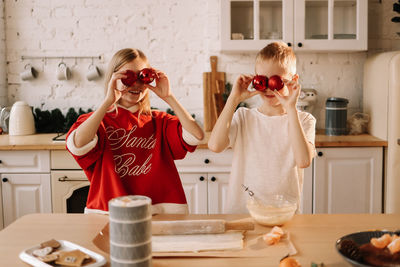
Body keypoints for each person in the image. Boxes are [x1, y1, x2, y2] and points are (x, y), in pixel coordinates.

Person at [66, 48, 204, 214]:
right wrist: (108, 101)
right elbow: (77, 144)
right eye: (127, 77)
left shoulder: (160, 121)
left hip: (159, 210)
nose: (136, 84)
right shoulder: (97, 121)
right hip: (109, 211)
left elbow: (197, 135)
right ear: (113, 79)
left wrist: (169, 97)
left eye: (142, 76)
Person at [208, 42, 316, 214]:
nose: (268, 89)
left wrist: (290, 109)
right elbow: (215, 145)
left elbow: (303, 161)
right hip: (242, 212)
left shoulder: (304, 120)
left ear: (293, 81)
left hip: (283, 213)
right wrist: (233, 99)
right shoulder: (244, 116)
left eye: (276, 82)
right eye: (262, 81)